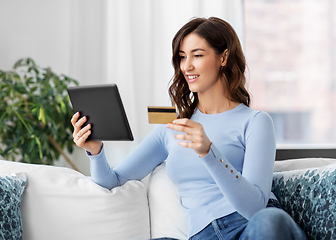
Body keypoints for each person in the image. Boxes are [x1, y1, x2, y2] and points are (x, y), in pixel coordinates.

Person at [71, 17, 307, 240]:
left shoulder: (256, 122)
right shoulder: (173, 128)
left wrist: (209, 152)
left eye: (198, 55)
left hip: (255, 229)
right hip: (202, 234)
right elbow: (113, 180)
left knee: (270, 220)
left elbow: (255, 207)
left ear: (223, 57)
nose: (187, 66)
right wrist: (95, 151)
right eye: (182, 57)